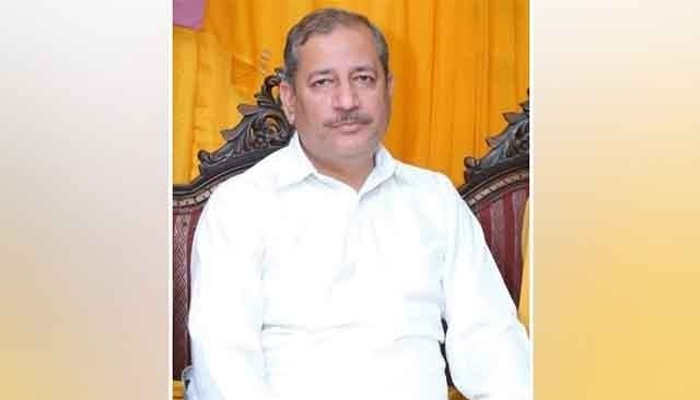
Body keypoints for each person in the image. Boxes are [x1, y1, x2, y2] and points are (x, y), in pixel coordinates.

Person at [186, 8, 530, 400]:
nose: (347, 100)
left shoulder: (434, 199)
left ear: (388, 89)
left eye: (363, 78)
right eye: (323, 82)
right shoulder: (241, 206)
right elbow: (225, 368)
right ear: (289, 100)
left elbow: (492, 342)